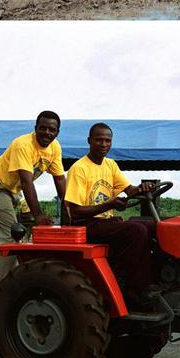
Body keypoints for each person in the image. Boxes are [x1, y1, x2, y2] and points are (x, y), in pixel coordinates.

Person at [64, 122, 156, 307]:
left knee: (154, 226)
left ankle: (157, 279)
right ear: (89, 141)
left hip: (105, 223)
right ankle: (133, 288)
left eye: (107, 140)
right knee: (136, 231)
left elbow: (129, 190)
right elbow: (75, 211)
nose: (104, 144)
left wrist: (142, 188)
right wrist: (110, 204)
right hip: (85, 224)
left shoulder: (110, 165)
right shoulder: (79, 168)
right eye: (99, 140)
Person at [0, 110, 66, 293]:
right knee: (12, 237)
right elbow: (26, 182)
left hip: (11, 192)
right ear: (35, 129)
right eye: (43, 128)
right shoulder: (23, 144)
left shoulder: (55, 148)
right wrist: (38, 215)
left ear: (57, 132)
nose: (47, 133)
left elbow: (59, 179)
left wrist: (69, 209)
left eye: (52, 130)